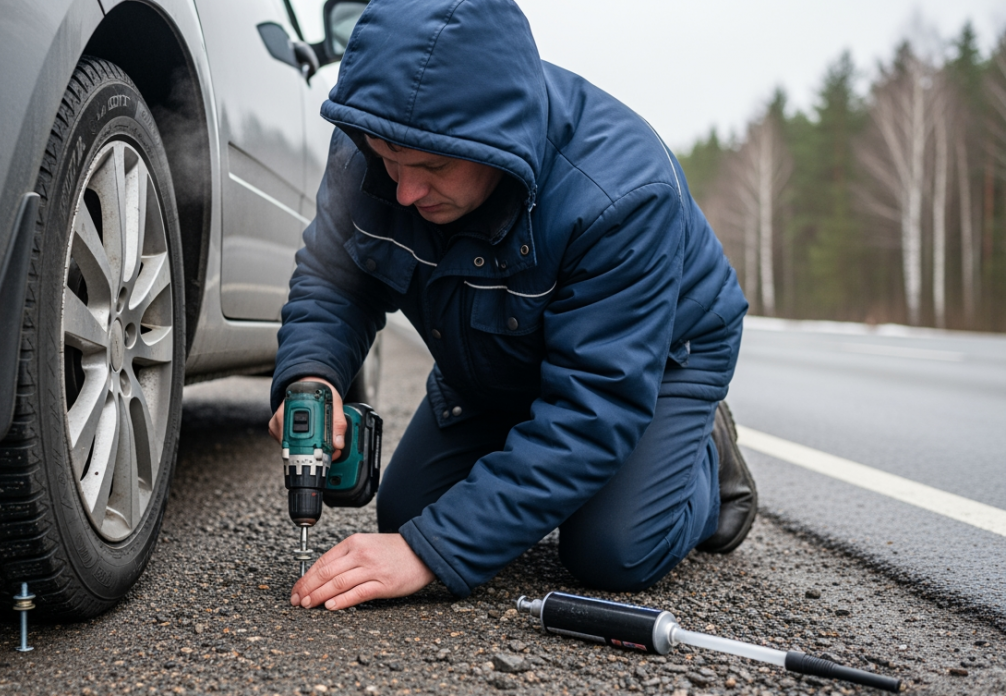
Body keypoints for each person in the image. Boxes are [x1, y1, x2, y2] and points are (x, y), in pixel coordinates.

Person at [267, 0, 754, 612]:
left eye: (433, 166)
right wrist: (311, 375)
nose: (405, 190)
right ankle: (555, 459)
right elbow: (336, 280)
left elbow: (594, 404)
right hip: (497, 345)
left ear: (498, 140)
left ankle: (699, 458)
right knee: (406, 512)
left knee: (613, 550)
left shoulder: (622, 195)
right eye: (390, 161)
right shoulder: (372, 140)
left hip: (658, 358)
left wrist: (428, 552)